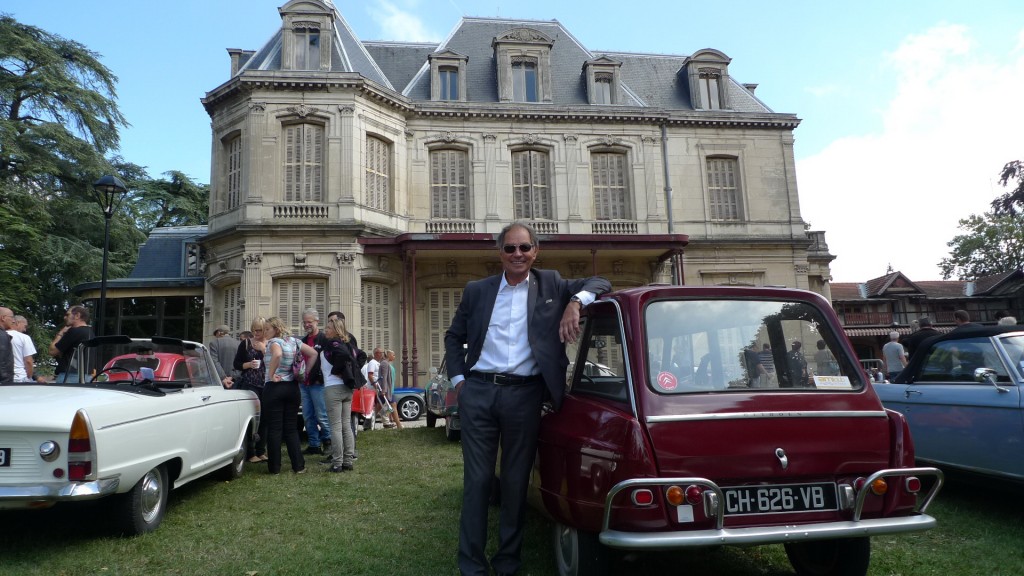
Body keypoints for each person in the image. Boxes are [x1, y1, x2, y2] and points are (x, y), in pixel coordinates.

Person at [444, 221, 611, 576]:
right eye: (510, 248)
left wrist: (574, 305)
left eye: (524, 248)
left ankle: (507, 562)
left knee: (517, 481)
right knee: (478, 482)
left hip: (525, 395)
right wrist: (460, 382)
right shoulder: (477, 290)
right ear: (500, 253)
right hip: (479, 393)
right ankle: (472, 565)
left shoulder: (551, 283)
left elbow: (601, 282)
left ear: (536, 251)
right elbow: (454, 336)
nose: (517, 254)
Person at [262, 316, 317, 475]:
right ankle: (298, 466)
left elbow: (277, 355)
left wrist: (271, 374)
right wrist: (305, 373)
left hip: (274, 388)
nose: (265, 332)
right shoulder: (294, 341)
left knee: (274, 429)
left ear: (276, 329)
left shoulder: (274, 342)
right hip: (293, 388)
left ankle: (274, 468)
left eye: (267, 329)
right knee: (291, 428)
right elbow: (313, 353)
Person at [319, 316, 357, 472]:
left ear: (335, 330)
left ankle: (337, 463)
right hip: (346, 389)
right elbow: (359, 356)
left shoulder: (333, 344)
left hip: (333, 388)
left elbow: (342, 356)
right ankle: (348, 460)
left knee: (335, 426)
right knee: (346, 425)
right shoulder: (347, 343)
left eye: (328, 328)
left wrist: (336, 371)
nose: (325, 331)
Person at [235, 317, 269, 463]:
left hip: (267, 384)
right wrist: (249, 364)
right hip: (250, 384)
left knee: (265, 419)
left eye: (259, 330)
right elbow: (236, 364)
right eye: (254, 329)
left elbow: (277, 361)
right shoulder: (246, 343)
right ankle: (250, 452)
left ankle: (261, 451)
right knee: (251, 418)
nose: (256, 332)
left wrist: (263, 349)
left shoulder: (271, 344)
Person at [300, 308, 331, 454]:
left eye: (309, 322)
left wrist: (321, 377)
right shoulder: (303, 340)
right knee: (307, 416)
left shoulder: (324, 339)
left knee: (322, 415)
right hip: (304, 384)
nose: (307, 325)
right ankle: (314, 444)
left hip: (319, 384)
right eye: (305, 322)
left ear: (317, 322)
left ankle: (328, 441)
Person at [49, 305, 93, 383]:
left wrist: (60, 333)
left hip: (69, 376)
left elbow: (52, 351)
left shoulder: (74, 331)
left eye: (68, 314)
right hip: (87, 376)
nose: (65, 318)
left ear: (77, 315)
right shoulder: (90, 333)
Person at [5, 313, 37, 382]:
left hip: (3, 377)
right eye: (25, 326)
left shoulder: (2, 335)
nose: (25, 330)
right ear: (17, 323)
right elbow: (28, 361)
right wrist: (29, 377)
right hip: (19, 377)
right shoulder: (24, 337)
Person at [375, 347, 399, 428]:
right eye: (393, 355)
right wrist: (384, 390)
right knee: (392, 406)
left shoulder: (386, 363)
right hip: (387, 390)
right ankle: (398, 425)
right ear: (389, 355)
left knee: (383, 407)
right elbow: (384, 378)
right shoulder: (385, 363)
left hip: (389, 390)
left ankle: (370, 421)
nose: (394, 356)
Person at [0, 307, 15, 383]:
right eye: (12, 317)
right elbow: (1, 361)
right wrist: (6, 382)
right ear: (3, 318)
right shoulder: (2, 336)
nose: (13, 321)